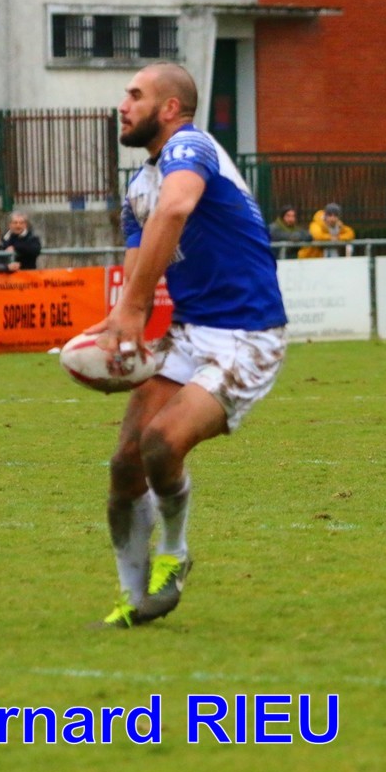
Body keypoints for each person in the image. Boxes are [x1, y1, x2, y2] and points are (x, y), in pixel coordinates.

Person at [93, 62, 287, 628]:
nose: (123, 105)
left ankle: (174, 555)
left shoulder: (191, 148)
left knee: (160, 444)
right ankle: (132, 600)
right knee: (124, 465)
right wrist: (120, 331)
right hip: (187, 333)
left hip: (247, 336)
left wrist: (132, 309)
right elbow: (138, 273)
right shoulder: (139, 187)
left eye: (135, 95)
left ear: (170, 108)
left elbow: (177, 207)